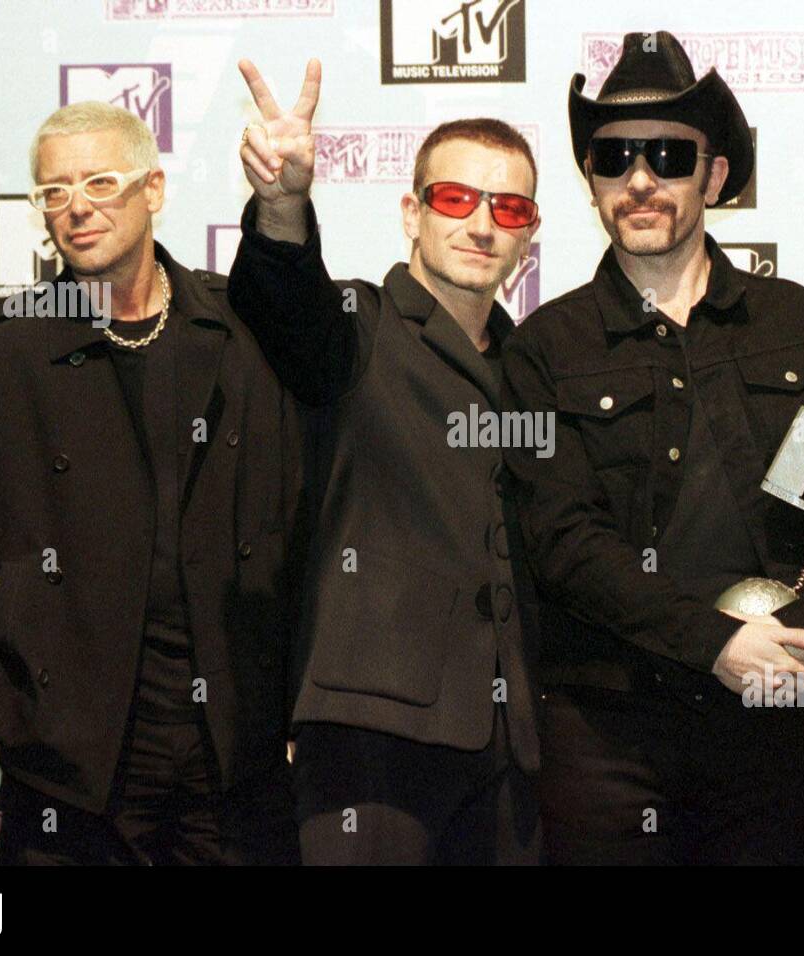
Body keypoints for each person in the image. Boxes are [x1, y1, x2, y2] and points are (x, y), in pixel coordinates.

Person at [501, 32, 804, 865]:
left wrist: (797, 635)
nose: (640, 180)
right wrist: (714, 644)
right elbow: (563, 544)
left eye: (669, 155)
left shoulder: (792, 325)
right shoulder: (548, 348)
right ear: (593, 182)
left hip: (769, 726)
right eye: (614, 158)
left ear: (713, 175)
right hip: (606, 735)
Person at [0, 102, 302, 865]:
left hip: (231, 752)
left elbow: (299, 512)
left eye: (99, 182)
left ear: (154, 188)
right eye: (53, 191)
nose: (75, 207)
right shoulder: (5, 350)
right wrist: (9, 682)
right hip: (73, 763)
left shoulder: (236, 330)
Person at [230, 59, 542, 864]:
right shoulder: (360, 325)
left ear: (528, 233)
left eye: (506, 207)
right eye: (454, 199)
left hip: (510, 749)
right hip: (371, 738)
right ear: (412, 211)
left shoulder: (536, 366)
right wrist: (282, 203)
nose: (481, 224)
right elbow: (285, 299)